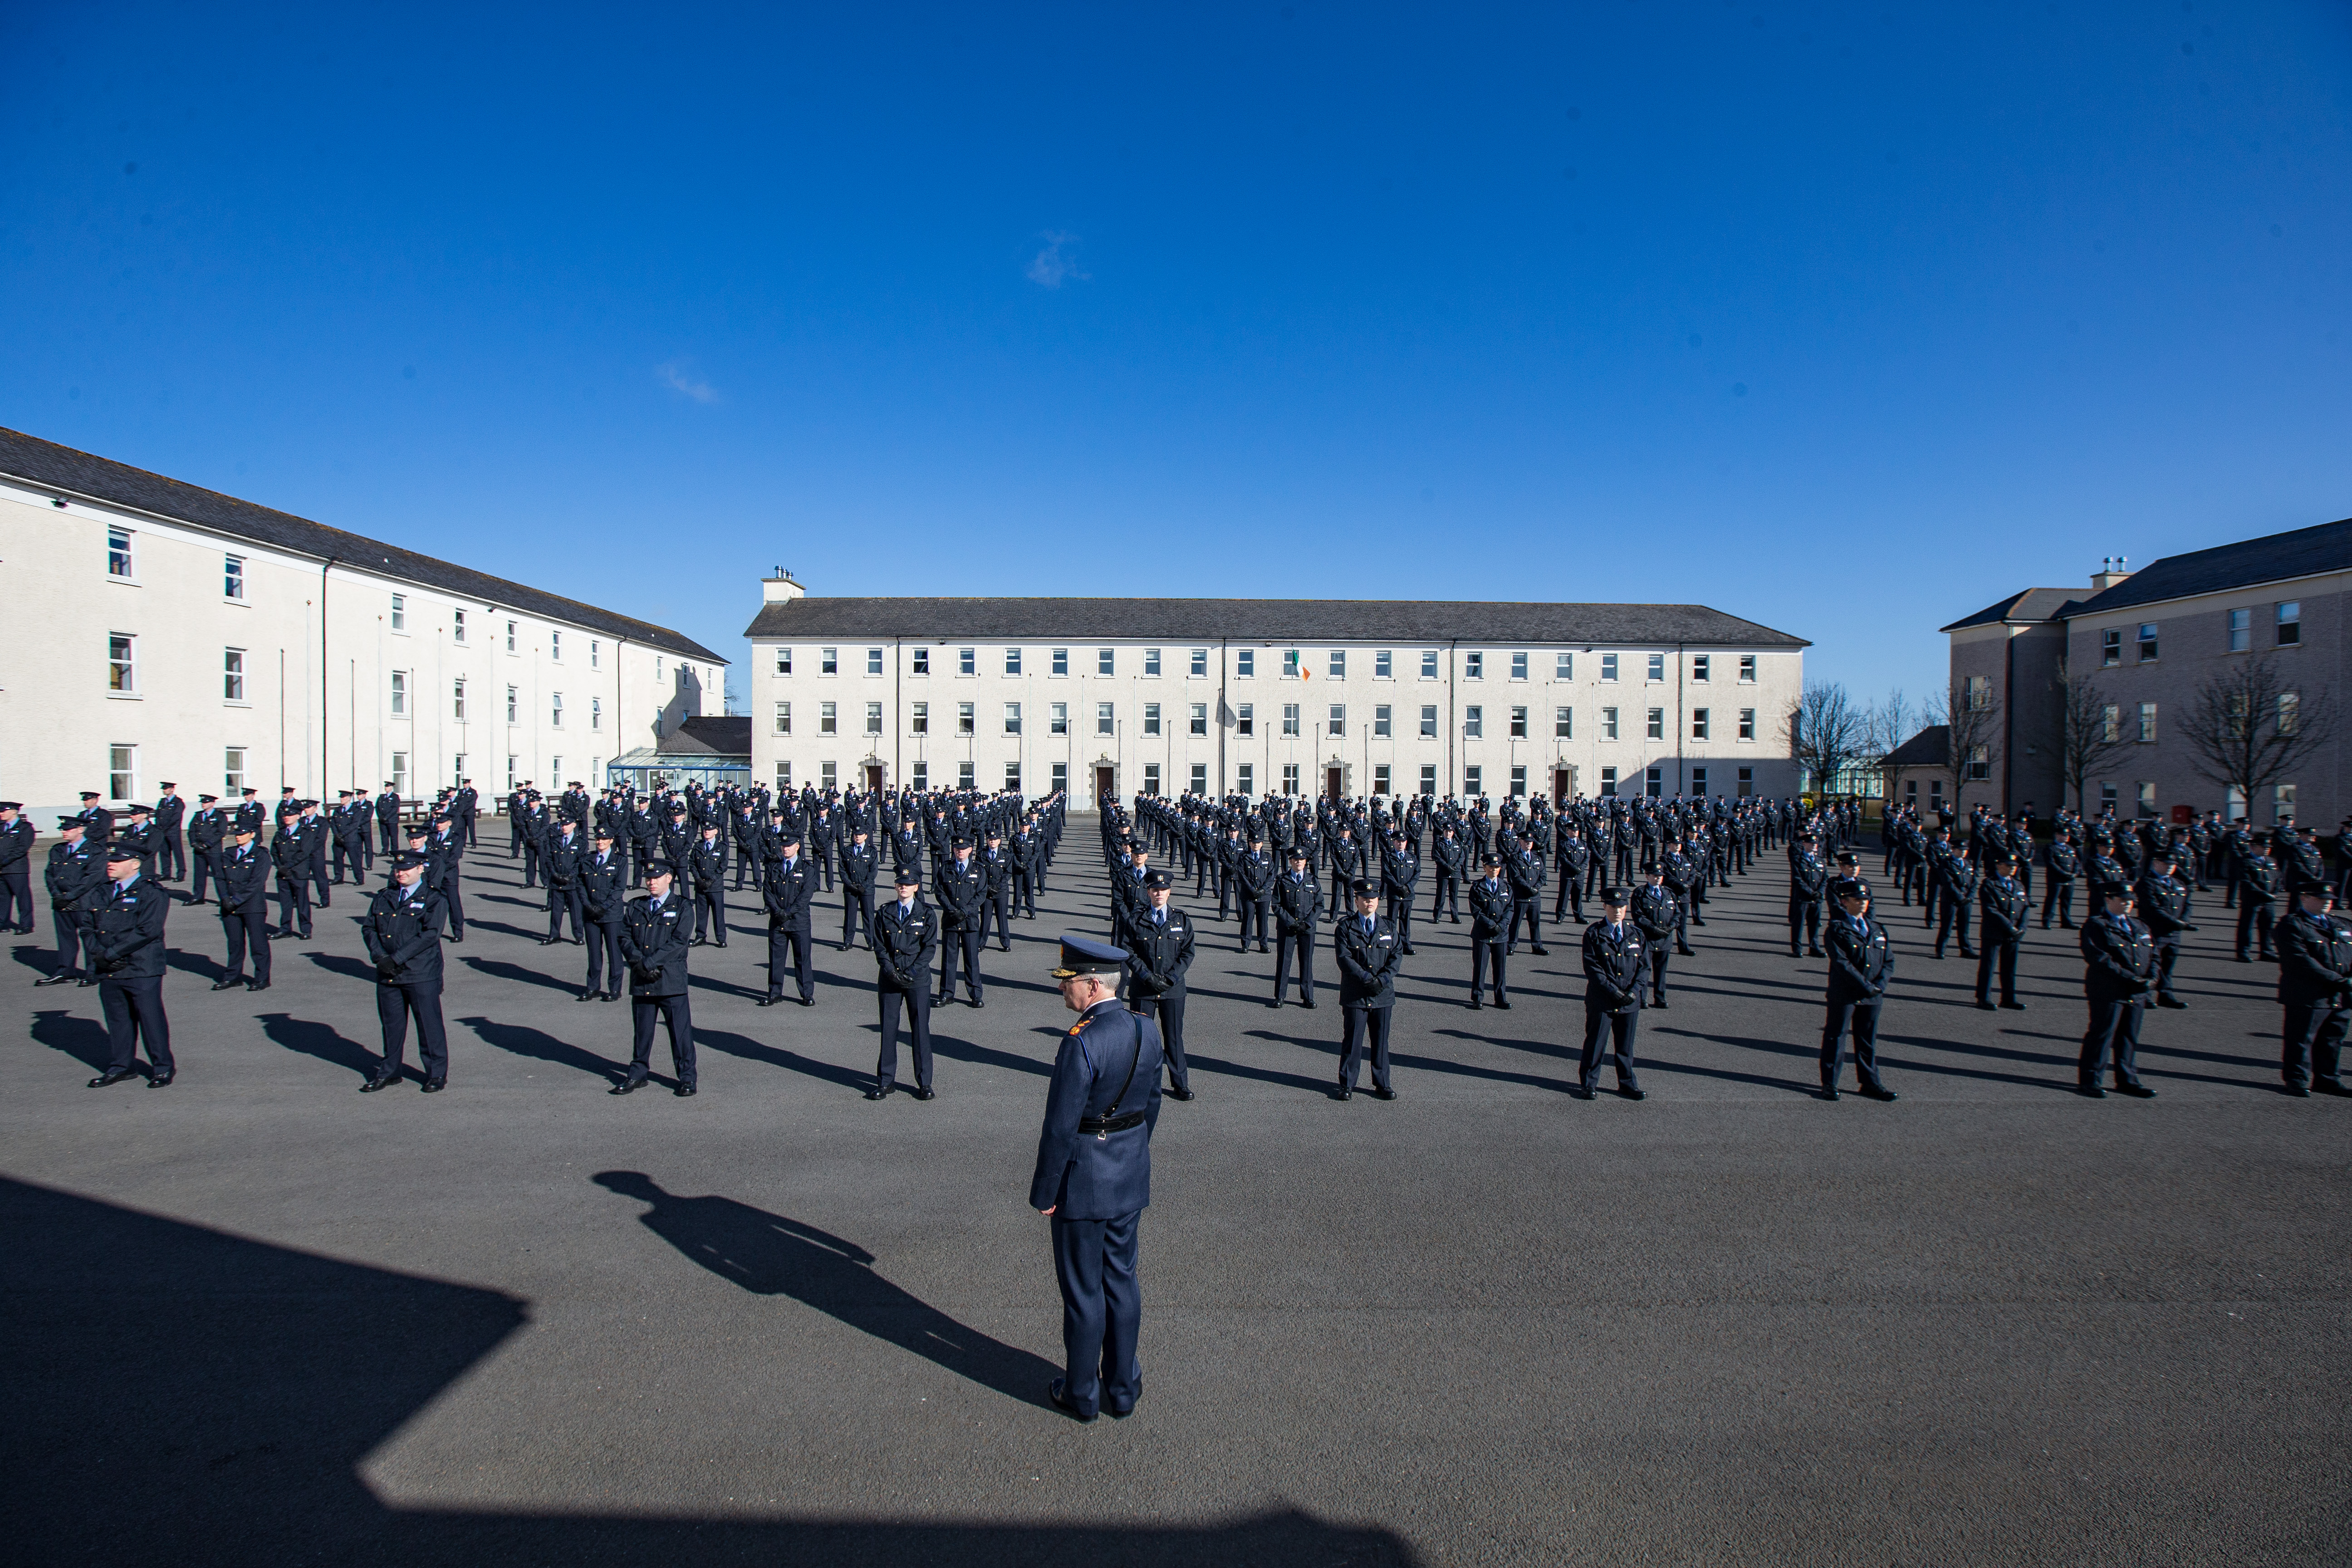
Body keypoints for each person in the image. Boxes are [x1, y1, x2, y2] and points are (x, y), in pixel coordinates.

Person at [1032, 935, 1164, 1423]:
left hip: (1084, 1179)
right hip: (1128, 1171)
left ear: (1091, 986)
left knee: (1085, 1292)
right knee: (1122, 1282)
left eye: (1068, 982)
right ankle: (1124, 1387)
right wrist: (1131, 1148)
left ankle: (1083, 1394)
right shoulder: (1145, 1029)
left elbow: (1061, 1126)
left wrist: (1047, 1191)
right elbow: (1152, 1102)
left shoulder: (1081, 1041)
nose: (1063, 991)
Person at [83, 841, 175, 1088]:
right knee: (118, 1020)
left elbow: (148, 931)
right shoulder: (100, 891)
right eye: (110, 860)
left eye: (117, 861)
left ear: (135, 865)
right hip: (109, 967)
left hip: (141, 967)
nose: (110, 864)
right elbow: (87, 927)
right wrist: (98, 955)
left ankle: (162, 1068)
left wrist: (111, 954)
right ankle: (121, 1067)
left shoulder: (152, 892)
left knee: (150, 1019)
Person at [360, 853, 450, 1093]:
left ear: (421, 869)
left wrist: (397, 958)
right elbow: (369, 927)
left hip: (420, 972)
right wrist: (380, 957)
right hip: (388, 972)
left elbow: (431, 934)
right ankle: (390, 1071)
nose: (401, 873)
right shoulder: (385, 896)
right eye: (397, 869)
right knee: (392, 1025)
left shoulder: (433, 898)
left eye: (407, 868)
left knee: (429, 1025)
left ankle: (436, 1074)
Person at [614, 860, 696, 1096]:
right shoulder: (635, 905)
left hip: (670, 981)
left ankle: (687, 1078)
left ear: (669, 879)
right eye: (648, 878)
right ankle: (637, 1074)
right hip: (642, 979)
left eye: (656, 878)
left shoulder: (681, 906)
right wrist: (639, 963)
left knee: (680, 1034)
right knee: (642, 1033)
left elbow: (679, 942)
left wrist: (650, 963)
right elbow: (624, 937)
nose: (651, 882)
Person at [1820, 879, 1898, 1102]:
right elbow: (1841, 963)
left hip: (1873, 993)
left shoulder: (1877, 928)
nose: (1863, 903)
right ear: (1844, 902)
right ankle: (1830, 1083)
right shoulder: (1836, 928)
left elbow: (1889, 961)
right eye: (1857, 900)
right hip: (1846, 992)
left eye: (1865, 899)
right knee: (1836, 1037)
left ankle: (1870, 1083)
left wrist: (1880, 986)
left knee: (1867, 1039)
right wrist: (1866, 986)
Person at [2078, 882, 2158, 1098]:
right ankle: (2091, 1080)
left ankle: (2128, 1080)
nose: (2127, 904)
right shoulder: (2096, 926)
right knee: (2102, 1035)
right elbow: (2100, 959)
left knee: (2129, 1037)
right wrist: (2131, 978)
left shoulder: (2140, 925)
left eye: (2130, 900)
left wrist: (2152, 978)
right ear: (2108, 900)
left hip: (2137, 991)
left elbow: (2154, 955)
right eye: (2122, 900)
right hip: (2110, 990)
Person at [1123, 869, 1197, 1102]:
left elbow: (1188, 953)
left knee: (1173, 1037)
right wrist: (1147, 977)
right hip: (1144, 989)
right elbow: (1127, 950)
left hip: (1173, 990)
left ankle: (1180, 1084)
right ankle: (1139, 1084)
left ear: (1169, 892)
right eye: (1155, 890)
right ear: (1148, 892)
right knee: (1142, 1039)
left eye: (1163, 890)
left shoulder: (1181, 919)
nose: (1159, 894)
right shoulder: (1136, 919)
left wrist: (1170, 978)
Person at [2274, 884, 2352, 1097]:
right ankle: (2297, 1080)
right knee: (2301, 1039)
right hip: (2309, 993)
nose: (2327, 901)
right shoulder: (2292, 925)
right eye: (2320, 898)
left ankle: (2328, 1080)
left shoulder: (2342, 923)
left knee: (2333, 1039)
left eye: (2330, 898)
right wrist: (2340, 981)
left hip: (2341, 994)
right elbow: (2300, 961)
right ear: (2304, 898)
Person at [869, 868, 938, 1100]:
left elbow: (929, 948)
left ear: (916, 887)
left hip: (917, 980)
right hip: (890, 979)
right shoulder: (885, 912)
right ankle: (886, 1081)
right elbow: (879, 945)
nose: (903, 887)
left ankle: (924, 1083)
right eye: (900, 883)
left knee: (920, 1031)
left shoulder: (927, 914)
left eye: (908, 884)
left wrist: (912, 971)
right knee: (888, 1031)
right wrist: (890, 970)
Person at [1333, 878, 1402, 1101]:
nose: (1369, 903)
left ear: (1378, 901)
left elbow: (1396, 956)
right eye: (1364, 899)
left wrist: (1381, 980)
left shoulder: (1389, 926)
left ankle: (1383, 1084)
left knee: (1381, 1042)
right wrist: (1366, 978)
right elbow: (1344, 958)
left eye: (1373, 899)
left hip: (1383, 993)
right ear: (1356, 900)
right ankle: (1347, 1084)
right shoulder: (1345, 927)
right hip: (1356, 993)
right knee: (1353, 1041)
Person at [1578, 886, 1645, 1100]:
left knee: (1625, 1048)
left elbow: (1644, 968)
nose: (1618, 911)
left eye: (1622, 907)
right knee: (1596, 1044)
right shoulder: (1595, 934)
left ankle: (1627, 1084)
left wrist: (1634, 992)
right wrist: (1614, 992)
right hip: (1603, 1001)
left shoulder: (1636, 934)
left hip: (1630, 1001)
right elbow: (1593, 968)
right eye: (1613, 907)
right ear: (1605, 906)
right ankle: (1589, 1084)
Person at [37, 816, 104, 985]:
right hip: (61, 902)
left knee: (90, 938)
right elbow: (50, 874)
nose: (63, 832)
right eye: (62, 829)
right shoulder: (57, 850)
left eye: (67, 829)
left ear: (81, 829)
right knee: (65, 938)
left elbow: (91, 879)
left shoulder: (95, 851)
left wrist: (68, 897)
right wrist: (57, 896)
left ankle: (92, 973)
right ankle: (66, 972)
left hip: (84, 903)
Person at [212, 822, 273, 991]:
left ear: (252, 835)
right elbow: (220, 878)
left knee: (258, 943)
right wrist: (224, 898)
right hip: (229, 905)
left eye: (242, 833)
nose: (238, 836)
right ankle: (233, 977)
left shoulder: (261, 855)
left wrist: (237, 900)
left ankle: (262, 978)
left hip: (252, 906)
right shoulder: (229, 854)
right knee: (235, 943)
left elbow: (257, 882)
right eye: (236, 833)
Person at [759, 830, 817, 1007]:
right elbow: (767, 892)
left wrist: (789, 912)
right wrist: (777, 911)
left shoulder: (807, 868)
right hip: (778, 920)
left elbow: (805, 896)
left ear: (797, 847)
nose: (785, 849)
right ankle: (775, 993)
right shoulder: (773, 867)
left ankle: (807, 994)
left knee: (802, 959)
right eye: (783, 846)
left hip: (799, 921)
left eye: (789, 846)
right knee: (776, 959)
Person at [2136, 850, 2195, 1009]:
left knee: (2168, 966)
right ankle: (2145, 996)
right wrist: (2175, 922)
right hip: (2155, 930)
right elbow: (2152, 907)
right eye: (2166, 864)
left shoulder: (2178, 883)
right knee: (2149, 965)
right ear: (2156, 864)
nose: (2170, 867)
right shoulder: (2147, 882)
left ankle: (2165, 995)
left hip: (2174, 933)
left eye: (2173, 865)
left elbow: (2187, 905)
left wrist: (2184, 921)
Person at [935, 837, 989, 1008]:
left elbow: (981, 894)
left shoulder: (978, 870)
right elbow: (939, 891)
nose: (960, 851)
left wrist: (964, 912)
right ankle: (946, 994)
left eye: (963, 848)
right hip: (951, 920)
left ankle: (976, 994)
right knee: (949, 959)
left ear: (970, 850)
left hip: (970, 921)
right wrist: (952, 910)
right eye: (957, 848)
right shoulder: (946, 868)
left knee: (972, 960)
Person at [1975, 852, 2029, 1010]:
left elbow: (2026, 907)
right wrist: (2010, 928)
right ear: (1999, 865)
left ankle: (2008, 998)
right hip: (1995, 931)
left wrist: (2022, 929)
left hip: (2014, 934)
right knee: (1988, 966)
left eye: (2014, 866)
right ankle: (1983, 998)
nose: (2012, 869)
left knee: (2010, 968)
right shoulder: (1989, 884)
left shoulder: (2019, 885)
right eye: (2009, 866)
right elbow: (1991, 910)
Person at [579, 829, 628, 1002]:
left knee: (614, 953)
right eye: (598, 839)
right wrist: (589, 906)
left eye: (604, 839)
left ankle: (615, 989)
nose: (600, 842)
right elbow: (581, 885)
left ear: (611, 840)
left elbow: (619, 888)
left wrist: (604, 907)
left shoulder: (620, 861)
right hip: (591, 913)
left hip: (611, 914)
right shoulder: (587, 859)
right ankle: (592, 988)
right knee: (593, 953)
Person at [1272, 844, 1320, 1007]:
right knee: (1284, 962)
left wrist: (1308, 923)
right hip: (1288, 927)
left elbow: (1319, 905)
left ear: (1306, 862)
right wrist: (1291, 922)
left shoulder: (1313, 881)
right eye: (1295, 860)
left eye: (1302, 859)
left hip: (1307, 928)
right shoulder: (1282, 880)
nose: (1298, 862)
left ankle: (1308, 997)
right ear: (1290, 861)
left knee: (1306, 962)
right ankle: (1280, 996)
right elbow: (1276, 905)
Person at [1628, 863, 1679, 1009]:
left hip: (1665, 939)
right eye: (1655, 876)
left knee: (1661, 971)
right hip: (1647, 939)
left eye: (1660, 876)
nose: (1658, 878)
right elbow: (1639, 916)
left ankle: (1660, 998)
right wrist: (1654, 929)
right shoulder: (1640, 893)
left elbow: (1677, 914)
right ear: (1647, 876)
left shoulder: (1669, 893)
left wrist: (1670, 927)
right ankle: (1642, 999)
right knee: (1644, 970)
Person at [1467, 851, 1512, 1009]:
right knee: (1480, 967)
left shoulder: (1506, 887)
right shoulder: (1477, 887)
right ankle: (1477, 998)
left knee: (1500, 969)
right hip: (1483, 934)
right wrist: (1491, 925)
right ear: (1485, 867)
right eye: (1491, 867)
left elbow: (1510, 909)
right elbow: (1476, 911)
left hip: (1501, 934)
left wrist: (1501, 925)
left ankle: (1500, 998)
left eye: (1497, 867)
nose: (1494, 870)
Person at [2234, 837, 2280, 962]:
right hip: (2253, 900)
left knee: (2267, 927)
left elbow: (2278, 878)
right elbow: (2247, 882)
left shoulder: (2271, 861)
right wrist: (2264, 894)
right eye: (2264, 848)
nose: (2267, 850)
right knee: (2247, 926)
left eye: (2268, 848)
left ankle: (2266, 951)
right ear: (2254, 847)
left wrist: (2275, 892)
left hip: (2269, 900)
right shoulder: (2245, 861)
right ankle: (2243, 952)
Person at [1788, 832, 1828, 958]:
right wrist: (1811, 893)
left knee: (1814, 924)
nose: (1815, 845)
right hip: (1803, 897)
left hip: (1817, 898)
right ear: (1804, 844)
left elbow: (1825, 878)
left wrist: (1820, 892)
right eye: (1811, 843)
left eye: (1816, 843)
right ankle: (1797, 948)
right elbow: (1797, 879)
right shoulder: (1798, 859)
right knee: (1798, 924)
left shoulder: (1820, 859)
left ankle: (1814, 948)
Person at [688, 823, 729, 947]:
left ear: (716, 831)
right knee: (701, 913)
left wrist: (711, 881)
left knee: (718, 914)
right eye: (705, 830)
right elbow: (692, 863)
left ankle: (721, 938)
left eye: (710, 830)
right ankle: (701, 937)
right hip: (701, 886)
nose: (707, 832)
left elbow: (723, 866)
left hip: (715, 887)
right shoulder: (698, 846)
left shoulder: (722, 847)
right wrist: (699, 880)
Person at [839, 825, 879, 951]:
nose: (857, 837)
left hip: (866, 889)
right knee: (850, 916)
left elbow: (873, 872)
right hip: (850, 889)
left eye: (860, 835)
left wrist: (864, 886)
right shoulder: (847, 850)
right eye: (855, 834)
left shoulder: (871, 851)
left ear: (866, 837)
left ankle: (871, 942)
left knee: (868, 916)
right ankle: (848, 941)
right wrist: (849, 884)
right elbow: (842, 869)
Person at [0, 802, 33, 934]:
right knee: (3, 897)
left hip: (16, 868)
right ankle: (3, 922)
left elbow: (22, 848)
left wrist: (5, 860)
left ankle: (26, 925)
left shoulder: (25, 828)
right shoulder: (1, 827)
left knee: (23, 897)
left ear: (14, 811)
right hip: (2, 869)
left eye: (3, 811)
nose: (1, 814)